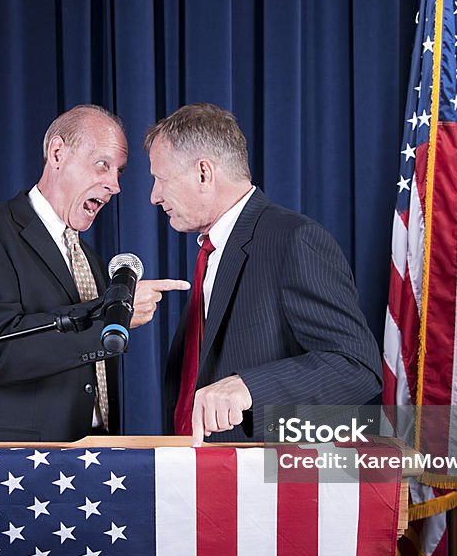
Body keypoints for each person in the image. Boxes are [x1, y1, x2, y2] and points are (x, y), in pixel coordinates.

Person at [0, 104, 187, 442]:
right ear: (57, 153)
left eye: (119, 172)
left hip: (91, 455)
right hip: (11, 459)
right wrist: (110, 319)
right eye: (103, 165)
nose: (114, 186)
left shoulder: (91, 261)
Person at [144, 103, 382, 445]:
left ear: (203, 173)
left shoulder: (293, 239)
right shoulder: (212, 251)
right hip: (195, 476)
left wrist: (249, 387)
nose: (154, 196)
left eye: (160, 179)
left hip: (264, 486)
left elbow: (357, 367)